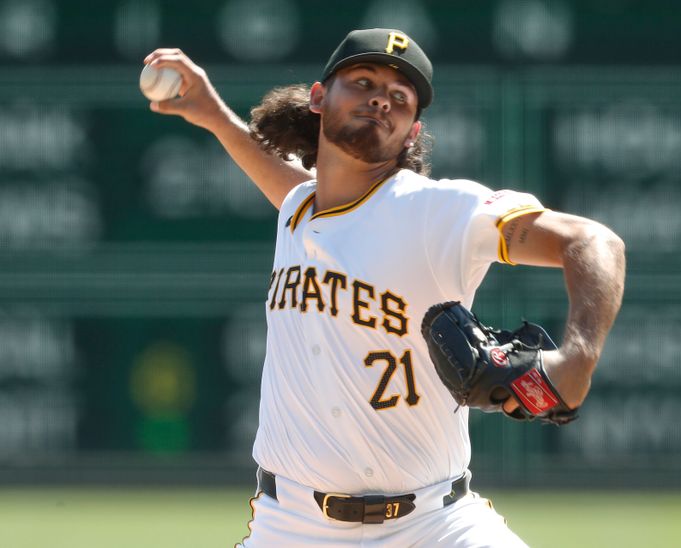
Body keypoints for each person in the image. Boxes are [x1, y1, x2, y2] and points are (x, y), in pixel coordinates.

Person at [144, 28, 625, 547]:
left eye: (400, 97)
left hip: (434, 525)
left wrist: (578, 357)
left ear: (412, 132)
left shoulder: (436, 210)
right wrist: (213, 114)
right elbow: (284, 180)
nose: (380, 98)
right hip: (291, 527)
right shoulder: (299, 211)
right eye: (363, 81)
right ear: (318, 97)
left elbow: (594, 241)